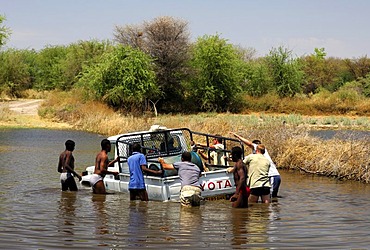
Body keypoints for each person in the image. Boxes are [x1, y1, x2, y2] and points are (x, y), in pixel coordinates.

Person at [230, 132, 281, 198]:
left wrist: (238, 137)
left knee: (271, 199)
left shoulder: (260, 150)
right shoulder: (256, 156)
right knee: (272, 198)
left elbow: (249, 144)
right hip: (269, 177)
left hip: (272, 176)